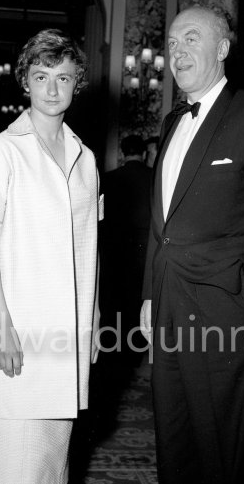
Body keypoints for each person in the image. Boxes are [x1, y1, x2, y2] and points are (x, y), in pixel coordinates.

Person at [139, 6, 244, 484]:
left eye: (191, 38)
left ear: (223, 49)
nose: (177, 51)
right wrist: (150, 294)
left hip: (221, 306)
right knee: (174, 437)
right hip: (168, 304)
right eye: (171, 42)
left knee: (221, 448)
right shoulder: (172, 122)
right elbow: (160, 223)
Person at [0, 29, 100, 484]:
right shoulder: (0, 152)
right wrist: (1, 326)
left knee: (49, 466)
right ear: (25, 82)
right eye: (41, 77)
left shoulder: (86, 159)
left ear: (77, 82)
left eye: (63, 77)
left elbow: (87, 247)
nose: (52, 89)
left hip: (63, 336)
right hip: (14, 327)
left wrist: (93, 316)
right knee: (12, 466)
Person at [100, 134, 151, 364]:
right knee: (138, 303)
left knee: (116, 302)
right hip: (144, 251)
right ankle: (137, 349)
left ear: (122, 152)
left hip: (115, 250)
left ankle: (116, 352)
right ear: (145, 153)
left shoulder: (109, 178)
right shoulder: (154, 177)